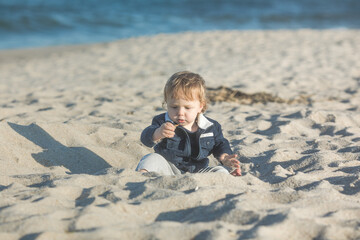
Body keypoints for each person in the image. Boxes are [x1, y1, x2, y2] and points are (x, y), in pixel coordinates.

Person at [136, 71, 241, 176]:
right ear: (167, 103)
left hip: (199, 172)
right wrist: (158, 133)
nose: (180, 113)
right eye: (174, 107)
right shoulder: (162, 122)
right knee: (150, 159)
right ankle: (139, 179)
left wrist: (225, 157)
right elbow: (145, 139)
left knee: (221, 171)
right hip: (168, 169)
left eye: (187, 108)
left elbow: (220, 144)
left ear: (200, 106)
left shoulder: (210, 126)